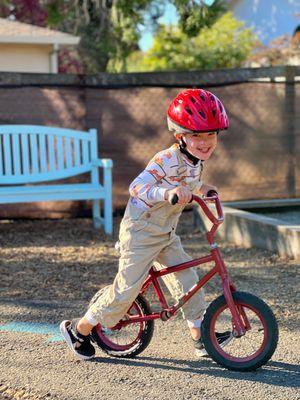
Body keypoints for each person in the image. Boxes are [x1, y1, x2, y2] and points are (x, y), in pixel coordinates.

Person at [60, 88, 232, 360]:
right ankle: (78, 330)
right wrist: (167, 194)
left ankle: (202, 341)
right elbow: (136, 186)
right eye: (197, 135)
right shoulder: (165, 159)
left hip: (165, 233)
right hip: (140, 232)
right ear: (180, 136)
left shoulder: (195, 161)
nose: (205, 142)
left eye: (211, 134)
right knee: (125, 290)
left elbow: (191, 183)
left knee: (189, 281)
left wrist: (204, 189)